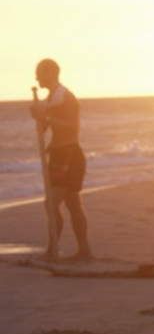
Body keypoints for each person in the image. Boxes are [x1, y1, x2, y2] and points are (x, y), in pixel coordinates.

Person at [29, 59, 92, 261]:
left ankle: (53, 249)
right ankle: (83, 250)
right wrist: (39, 118)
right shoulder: (51, 99)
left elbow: (71, 127)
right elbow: (45, 128)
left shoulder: (65, 97)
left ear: (51, 73)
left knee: (52, 203)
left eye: (40, 73)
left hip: (69, 155)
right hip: (59, 154)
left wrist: (45, 118)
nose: (36, 77)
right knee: (72, 204)